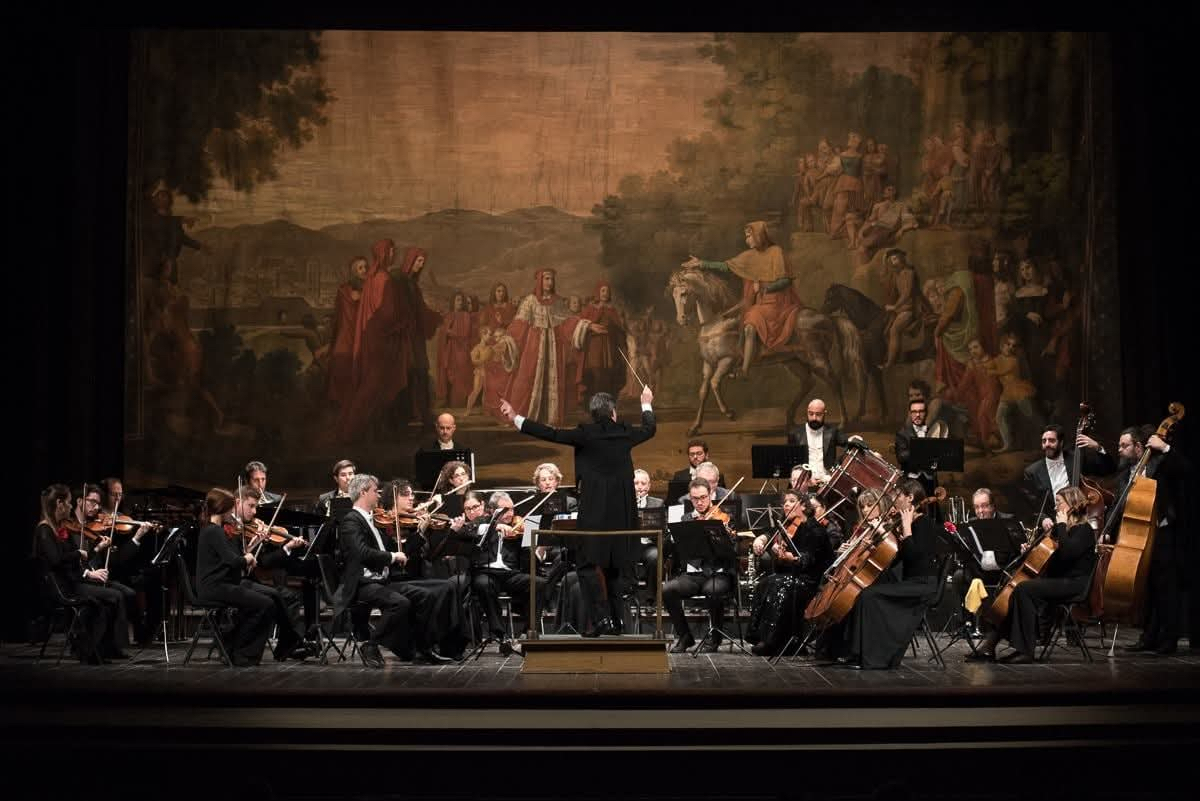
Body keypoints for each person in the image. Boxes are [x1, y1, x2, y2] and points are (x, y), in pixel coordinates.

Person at [501, 385, 656, 637]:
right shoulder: (625, 432)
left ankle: (601, 619)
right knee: (615, 568)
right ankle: (616, 622)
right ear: (613, 413)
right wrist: (646, 402)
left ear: (594, 414)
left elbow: (551, 433)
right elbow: (650, 428)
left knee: (586, 565)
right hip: (623, 514)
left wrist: (516, 418)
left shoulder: (585, 434)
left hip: (594, 512)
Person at [967, 486, 1098, 663]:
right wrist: (1030, 550)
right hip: (1059, 580)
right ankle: (991, 645)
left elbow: (1067, 554)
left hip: (1075, 584)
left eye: (1059, 502)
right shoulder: (1062, 530)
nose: (1055, 507)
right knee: (1017, 591)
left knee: (1024, 589)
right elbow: (1049, 556)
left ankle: (1025, 650)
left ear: (1071, 504)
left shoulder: (1084, 530)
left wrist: (1060, 525)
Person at [835, 480, 941, 669]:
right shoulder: (906, 523)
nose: (893, 500)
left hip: (923, 585)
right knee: (865, 593)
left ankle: (870, 656)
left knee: (869, 596)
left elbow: (914, 557)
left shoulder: (925, 524)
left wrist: (906, 530)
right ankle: (855, 652)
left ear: (910, 498)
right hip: (910, 583)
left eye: (898, 496)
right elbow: (895, 560)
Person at [681, 221, 802, 380]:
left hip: (778, 302)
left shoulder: (776, 252)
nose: (747, 240)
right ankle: (740, 358)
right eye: (746, 236)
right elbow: (726, 266)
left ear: (759, 235)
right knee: (739, 318)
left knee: (750, 323)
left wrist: (766, 288)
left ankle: (745, 369)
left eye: (749, 236)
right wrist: (702, 263)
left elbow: (786, 280)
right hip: (760, 302)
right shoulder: (749, 256)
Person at [32, 485, 125, 663]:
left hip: (71, 582)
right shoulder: (44, 529)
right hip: (62, 588)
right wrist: (77, 554)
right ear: (59, 503)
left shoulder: (58, 528)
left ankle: (96, 649)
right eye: (68, 502)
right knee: (111, 598)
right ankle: (89, 651)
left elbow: (75, 559)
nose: (70, 506)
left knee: (110, 599)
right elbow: (56, 560)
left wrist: (94, 550)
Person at [331, 474, 414, 668]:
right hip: (361, 584)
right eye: (375, 491)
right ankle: (371, 644)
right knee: (399, 603)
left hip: (379, 581)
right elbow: (361, 552)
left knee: (420, 594)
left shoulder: (371, 519)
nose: (379, 495)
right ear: (363, 493)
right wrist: (392, 557)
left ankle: (413, 645)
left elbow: (391, 548)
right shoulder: (351, 520)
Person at [194, 488, 278, 667]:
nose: (233, 512)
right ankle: (243, 653)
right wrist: (248, 558)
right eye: (231, 508)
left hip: (220, 585)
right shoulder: (214, 531)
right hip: (215, 588)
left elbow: (231, 558)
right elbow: (233, 561)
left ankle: (232, 646)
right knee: (266, 604)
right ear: (223, 508)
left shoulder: (212, 530)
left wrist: (250, 549)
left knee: (260, 603)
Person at [746, 489, 834, 656]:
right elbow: (771, 534)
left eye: (792, 501)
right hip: (793, 576)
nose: (786, 504)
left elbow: (807, 560)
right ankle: (761, 637)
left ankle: (777, 642)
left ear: (804, 506)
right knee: (765, 583)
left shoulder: (815, 529)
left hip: (810, 581)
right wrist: (773, 548)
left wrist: (790, 557)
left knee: (780, 584)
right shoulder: (787, 526)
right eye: (785, 502)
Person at [662, 479, 737, 652]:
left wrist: (727, 537)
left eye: (703, 497)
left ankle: (715, 637)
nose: (700, 502)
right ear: (690, 498)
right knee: (667, 590)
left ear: (710, 495)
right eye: (695, 499)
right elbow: (677, 551)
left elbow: (733, 550)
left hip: (719, 573)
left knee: (713, 590)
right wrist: (673, 538)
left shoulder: (724, 517)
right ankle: (685, 636)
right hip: (694, 574)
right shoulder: (686, 519)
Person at [786, 398, 864, 487]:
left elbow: (847, 441)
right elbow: (792, 464)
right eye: (811, 414)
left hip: (827, 483)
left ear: (824, 413)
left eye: (818, 414)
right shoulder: (795, 434)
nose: (814, 418)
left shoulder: (832, 431)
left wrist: (855, 440)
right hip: (804, 483)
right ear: (807, 412)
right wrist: (805, 478)